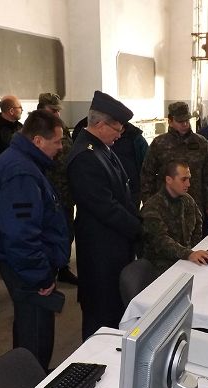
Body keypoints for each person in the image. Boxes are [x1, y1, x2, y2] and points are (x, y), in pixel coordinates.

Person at [0, 109, 69, 370]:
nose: (61, 147)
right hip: (26, 268)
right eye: (57, 141)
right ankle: (33, 384)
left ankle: (28, 375)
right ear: (38, 141)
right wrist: (40, 276)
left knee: (28, 326)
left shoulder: (23, 162)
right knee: (36, 332)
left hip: (24, 263)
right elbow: (20, 234)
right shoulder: (21, 173)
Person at [66, 91, 141, 340]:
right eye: (117, 129)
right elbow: (105, 207)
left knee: (113, 308)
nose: (119, 135)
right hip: (100, 251)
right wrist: (138, 228)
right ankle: (94, 359)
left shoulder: (101, 148)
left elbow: (122, 192)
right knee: (100, 313)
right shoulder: (85, 156)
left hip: (113, 245)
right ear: (100, 124)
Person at [141, 102, 208, 234]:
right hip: (166, 207)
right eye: (180, 121)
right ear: (170, 121)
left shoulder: (201, 143)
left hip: (195, 204)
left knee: (195, 241)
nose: (185, 124)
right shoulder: (159, 144)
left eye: (187, 120)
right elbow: (147, 176)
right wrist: (150, 204)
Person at [141, 160, 208, 273]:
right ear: (169, 180)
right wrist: (189, 254)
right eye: (183, 179)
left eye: (189, 179)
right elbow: (161, 241)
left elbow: (198, 224)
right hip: (161, 266)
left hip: (185, 259)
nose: (188, 184)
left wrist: (193, 250)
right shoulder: (152, 207)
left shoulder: (187, 200)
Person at [37, 93, 78, 285]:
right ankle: (46, 274)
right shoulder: (32, 131)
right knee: (47, 236)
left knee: (66, 232)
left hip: (65, 193)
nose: (56, 114)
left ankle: (63, 267)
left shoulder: (62, 128)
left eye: (58, 110)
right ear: (41, 109)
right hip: (45, 194)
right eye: (52, 110)